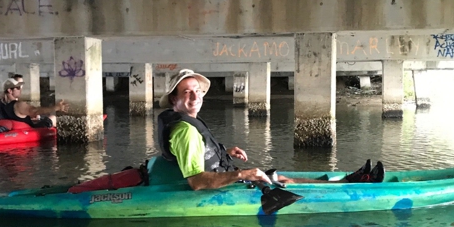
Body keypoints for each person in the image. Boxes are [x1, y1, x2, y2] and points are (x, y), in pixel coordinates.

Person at [157, 69, 384, 191]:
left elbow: (197, 155)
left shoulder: (187, 124)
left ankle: (347, 180)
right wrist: (242, 174)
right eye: (187, 92)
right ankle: (351, 185)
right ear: (174, 99)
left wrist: (224, 153)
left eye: (196, 90)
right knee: (282, 182)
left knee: (279, 176)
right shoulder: (185, 131)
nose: (195, 96)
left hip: (222, 176)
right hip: (219, 186)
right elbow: (196, 182)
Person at [0, 78, 68, 127]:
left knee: (37, 118)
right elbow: (35, 111)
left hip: (10, 131)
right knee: (53, 118)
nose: (20, 90)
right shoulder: (19, 105)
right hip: (27, 130)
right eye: (18, 88)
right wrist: (56, 107)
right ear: (9, 90)